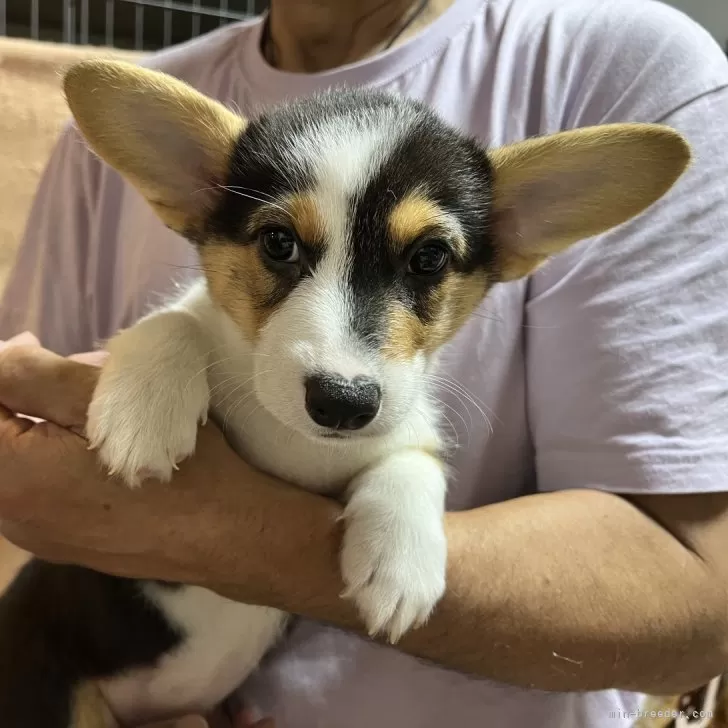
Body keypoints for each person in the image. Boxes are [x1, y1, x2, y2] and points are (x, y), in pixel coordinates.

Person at [1, 0, 728, 726]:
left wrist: (365, 503)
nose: (346, 362)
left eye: (427, 258)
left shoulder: (618, 60)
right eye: (281, 246)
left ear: (510, 238)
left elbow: (699, 600)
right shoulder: (132, 169)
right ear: (196, 189)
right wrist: (161, 350)